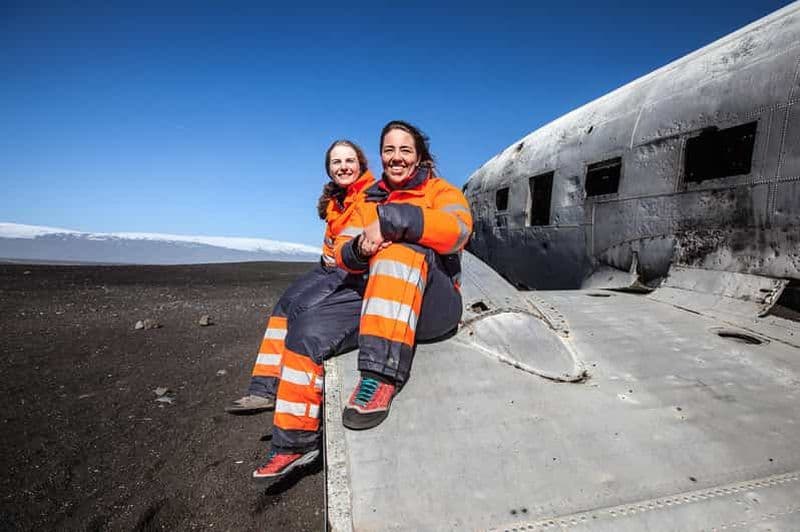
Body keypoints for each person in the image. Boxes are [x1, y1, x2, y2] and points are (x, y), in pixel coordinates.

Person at [253, 120, 472, 482]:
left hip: (433, 306)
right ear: (382, 155)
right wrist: (358, 247)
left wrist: (394, 221)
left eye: (405, 150)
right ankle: (294, 442)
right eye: (389, 150)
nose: (396, 157)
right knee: (305, 331)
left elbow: (458, 231)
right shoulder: (370, 198)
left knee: (398, 251)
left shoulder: (441, 192)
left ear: (419, 157)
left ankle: (379, 377)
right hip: (380, 297)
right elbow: (342, 249)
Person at [226, 140, 374, 414]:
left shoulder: (370, 194)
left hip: (353, 270)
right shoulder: (336, 200)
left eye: (349, 161)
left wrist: (342, 253)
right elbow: (332, 237)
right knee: (284, 304)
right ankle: (263, 389)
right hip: (329, 266)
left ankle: (295, 392)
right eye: (336, 162)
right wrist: (327, 254)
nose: (343, 167)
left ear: (361, 164)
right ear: (329, 169)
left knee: (302, 309)